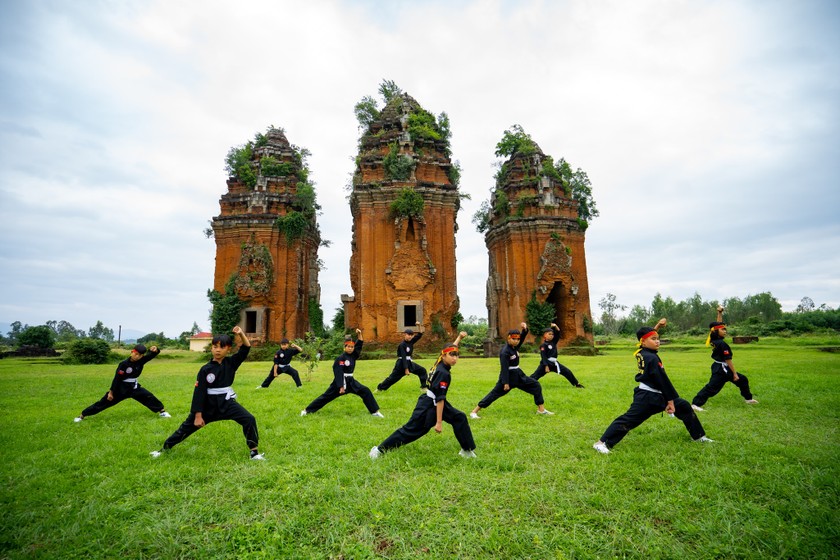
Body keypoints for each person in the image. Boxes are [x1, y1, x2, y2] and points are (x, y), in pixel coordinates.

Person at [592, 319, 712, 454]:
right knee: (629, 420)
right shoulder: (652, 358)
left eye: (658, 339)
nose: (657, 341)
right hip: (648, 397)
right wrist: (671, 402)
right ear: (643, 341)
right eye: (654, 339)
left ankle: (699, 437)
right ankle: (601, 443)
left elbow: (647, 336)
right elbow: (663, 382)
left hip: (656, 394)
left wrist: (657, 327)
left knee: (684, 406)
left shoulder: (642, 352)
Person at [150, 326, 264, 460]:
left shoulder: (232, 362)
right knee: (185, 429)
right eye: (215, 347)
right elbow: (199, 393)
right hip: (207, 406)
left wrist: (241, 334)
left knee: (249, 419)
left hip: (226, 403)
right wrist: (198, 415)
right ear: (211, 348)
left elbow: (246, 347)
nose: (217, 350)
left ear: (228, 349)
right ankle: (163, 449)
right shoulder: (205, 369)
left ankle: (254, 453)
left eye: (221, 347)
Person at [370, 335, 476, 460]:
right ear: (444, 356)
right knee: (411, 431)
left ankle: (467, 450)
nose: (455, 358)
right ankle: (379, 450)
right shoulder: (443, 373)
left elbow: (450, 349)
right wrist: (438, 422)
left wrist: (458, 338)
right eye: (451, 355)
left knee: (459, 417)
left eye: (456, 355)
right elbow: (439, 399)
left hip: (435, 400)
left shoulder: (440, 362)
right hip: (430, 404)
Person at [470, 322, 553, 418]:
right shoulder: (505, 352)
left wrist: (525, 329)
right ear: (509, 338)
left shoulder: (515, 347)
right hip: (508, 377)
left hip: (519, 376)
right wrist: (505, 383)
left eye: (518, 339)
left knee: (536, 385)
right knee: (494, 394)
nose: (517, 341)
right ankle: (474, 412)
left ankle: (541, 410)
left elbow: (522, 337)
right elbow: (504, 368)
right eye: (514, 339)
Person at [74, 344, 171, 422]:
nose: (137, 357)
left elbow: (152, 355)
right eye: (136, 354)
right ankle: (82, 415)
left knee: (148, 396)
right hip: (121, 389)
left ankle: (162, 411)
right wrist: (111, 392)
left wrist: (155, 349)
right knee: (103, 403)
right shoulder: (124, 364)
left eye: (140, 355)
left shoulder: (141, 361)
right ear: (132, 352)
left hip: (134, 387)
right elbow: (117, 379)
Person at [300, 328, 384, 418]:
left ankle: (374, 412)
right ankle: (306, 411)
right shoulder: (340, 358)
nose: (350, 348)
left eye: (352, 347)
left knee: (365, 391)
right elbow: (338, 372)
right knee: (326, 397)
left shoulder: (353, 355)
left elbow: (359, 344)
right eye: (348, 347)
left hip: (351, 381)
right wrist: (341, 386)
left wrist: (359, 334)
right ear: (344, 347)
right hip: (339, 382)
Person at [691, 306, 758, 411]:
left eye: (725, 329)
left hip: (720, 367)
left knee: (743, 380)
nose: (725, 331)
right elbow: (728, 360)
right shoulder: (722, 344)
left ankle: (748, 399)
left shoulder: (713, 337)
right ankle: (695, 404)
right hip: (722, 369)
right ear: (717, 331)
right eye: (723, 329)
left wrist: (719, 313)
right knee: (712, 388)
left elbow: (717, 325)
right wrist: (734, 374)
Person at [530, 322, 584, 388]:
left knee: (567, 372)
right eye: (549, 334)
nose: (551, 335)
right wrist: (546, 366)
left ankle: (577, 384)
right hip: (546, 363)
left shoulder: (553, 342)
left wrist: (555, 326)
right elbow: (543, 356)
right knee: (535, 375)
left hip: (554, 363)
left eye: (552, 334)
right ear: (545, 335)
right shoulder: (543, 345)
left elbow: (558, 332)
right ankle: (525, 384)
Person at [376, 322, 427, 392]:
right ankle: (380, 388)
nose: (410, 336)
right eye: (408, 335)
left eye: (411, 335)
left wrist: (419, 326)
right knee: (392, 379)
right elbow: (403, 357)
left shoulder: (411, 342)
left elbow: (420, 334)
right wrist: (406, 369)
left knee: (422, 370)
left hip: (409, 363)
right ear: (405, 335)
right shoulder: (402, 345)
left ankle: (424, 387)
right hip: (401, 364)